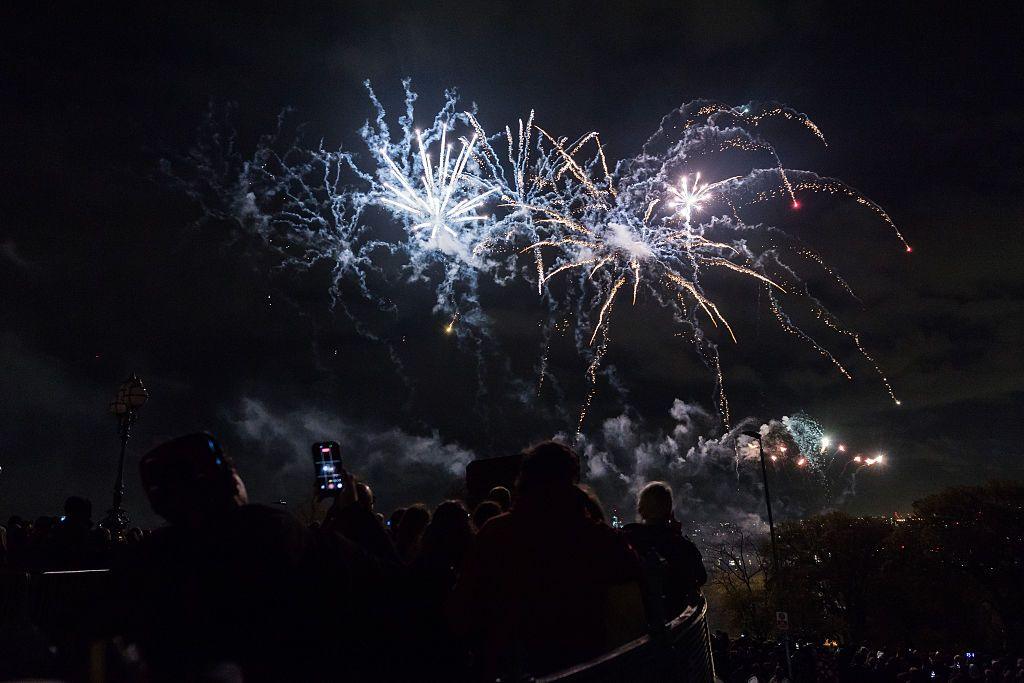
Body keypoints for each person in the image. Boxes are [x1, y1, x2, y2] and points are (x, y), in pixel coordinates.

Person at [121, 432, 394, 681]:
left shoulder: (151, 559)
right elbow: (388, 580)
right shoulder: (274, 531)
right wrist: (355, 512)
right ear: (228, 480)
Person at [449, 441, 644, 679]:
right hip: (586, 665)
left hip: (508, 667)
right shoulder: (596, 536)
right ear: (571, 481)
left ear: (523, 479)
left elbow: (463, 606)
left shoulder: (496, 532)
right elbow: (634, 580)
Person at [623, 481, 707, 619]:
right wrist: (677, 536)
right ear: (669, 512)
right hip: (674, 625)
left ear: (641, 509)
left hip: (634, 623)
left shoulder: (628, 538)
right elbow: (701, 577)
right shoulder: (680, 545)